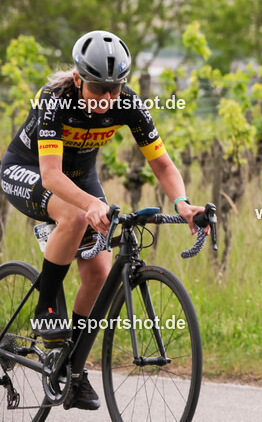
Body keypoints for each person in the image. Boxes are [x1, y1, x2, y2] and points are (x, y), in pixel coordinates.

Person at [1, 30, 207, 411]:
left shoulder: (128, 104)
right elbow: (50, 176)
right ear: (79, 79)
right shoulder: (55, 101)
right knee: (78, 215)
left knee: (98, 273)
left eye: (114, 89)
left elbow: (161, 162)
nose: (107, 98)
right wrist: (90, 206)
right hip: (29, 170)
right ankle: (46, 305)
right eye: (98, 88)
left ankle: (71, 371)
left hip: (80, 177)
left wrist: (182, 202)